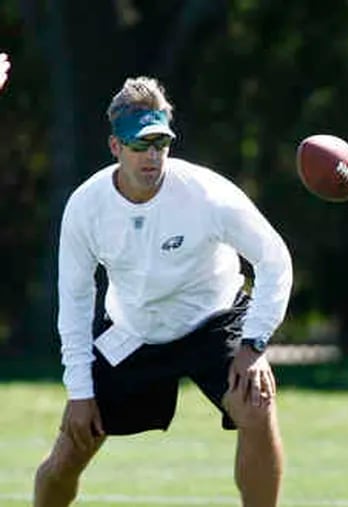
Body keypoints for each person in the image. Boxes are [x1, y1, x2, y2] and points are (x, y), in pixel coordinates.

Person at [34, 76, 293, 507]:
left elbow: (274, 258)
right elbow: (76, 302)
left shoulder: (207, 194)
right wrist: (79, 392)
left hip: (214, 319)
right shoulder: (86, 207)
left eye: (161, 143)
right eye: (140, 144)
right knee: (71, 448)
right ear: (115, 146)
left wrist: (255, 344)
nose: (152, 156)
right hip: (133, 329)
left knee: (256, 403)